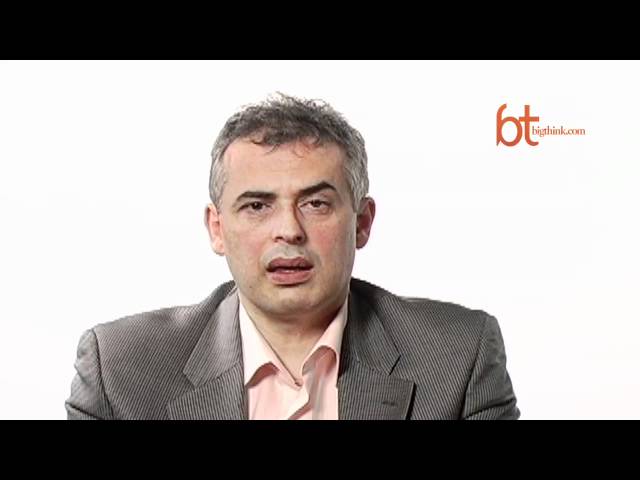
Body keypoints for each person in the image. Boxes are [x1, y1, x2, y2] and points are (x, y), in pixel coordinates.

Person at [66, 93, 519, 420]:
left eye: (316, 203)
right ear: (217, 228)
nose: (289, 230)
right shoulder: (120, 372)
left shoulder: (458, 357)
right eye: (257, 206)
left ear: (362, 223)